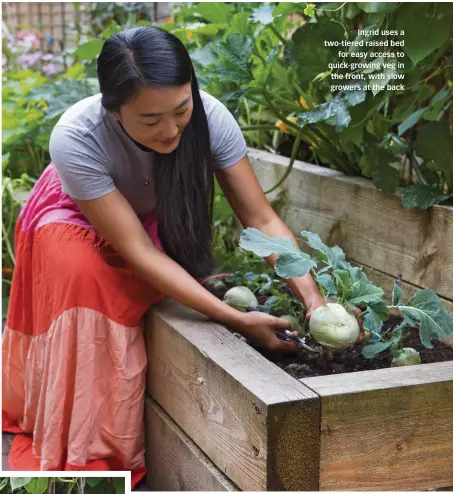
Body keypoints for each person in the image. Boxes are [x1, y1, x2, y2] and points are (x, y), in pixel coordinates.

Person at [2, 26, 327, 486]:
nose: (171, 129)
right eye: (150, 120)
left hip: (144, 214)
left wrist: (314, 301)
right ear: (113, 112)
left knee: (163, 287)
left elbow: (263, 220)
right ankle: (92, 448)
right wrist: (233, 319)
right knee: (90, 280)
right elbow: (135, 250)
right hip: (75, 217)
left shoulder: (211, 118)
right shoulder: (76, 138)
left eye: (181, 109)